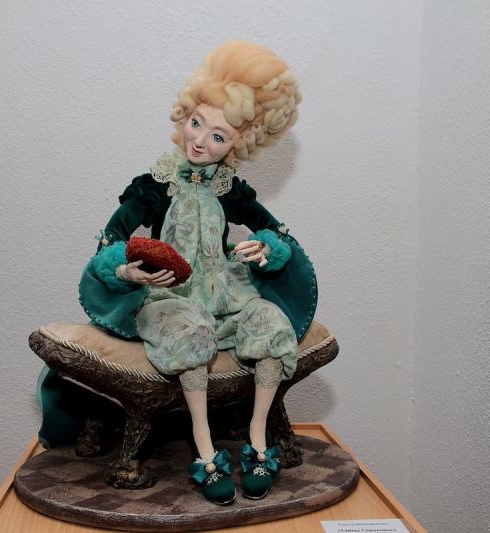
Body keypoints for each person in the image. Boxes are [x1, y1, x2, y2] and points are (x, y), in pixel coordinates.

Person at [79, 40, 313, 505]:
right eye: (197, 123)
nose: (201, 140)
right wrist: (127, 269)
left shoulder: (230, 189)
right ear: (185, 115)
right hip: (170, 299)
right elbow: (111, 238)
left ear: (239, 144)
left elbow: (277, 233)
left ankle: (257, 437)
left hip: (226, 296)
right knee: (191, 334)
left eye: (219, 136)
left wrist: (266, 248)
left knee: (271, 324)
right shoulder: (155, 185)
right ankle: (205, 449)